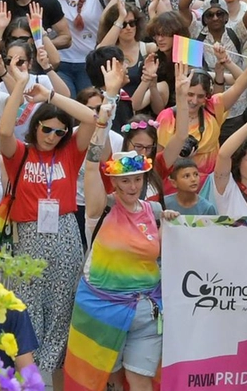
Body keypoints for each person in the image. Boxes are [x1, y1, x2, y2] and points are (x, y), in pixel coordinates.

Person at [0, 60, 109, 380]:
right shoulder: (21, 153)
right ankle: (28, 378)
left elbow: (93, 118)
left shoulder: (69, 151)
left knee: (61, 316)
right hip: (28, 239)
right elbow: (4, 130)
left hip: (65, 237)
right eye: (47, 129)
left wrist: (50, 96)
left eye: (60, 131)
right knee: (26, 312)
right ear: (36, 128)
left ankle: (42, 379)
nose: (53, 135)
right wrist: (19, 86)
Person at [65, 100, 171, 391]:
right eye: (124, 180)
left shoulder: (156, 212)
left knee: (140, 379)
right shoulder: (101, 209)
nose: (132, 186)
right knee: (105, 381)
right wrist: (103, 119)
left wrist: (172, 226)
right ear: (112, 181)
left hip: (146, 310)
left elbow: (161, 256)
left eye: (137, 179)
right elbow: (90, 165)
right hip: (102, 309)